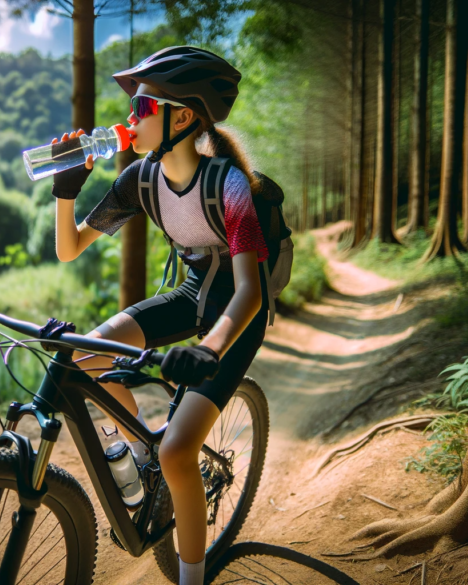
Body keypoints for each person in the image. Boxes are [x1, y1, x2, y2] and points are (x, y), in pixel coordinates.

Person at [49, 46, 273, 584]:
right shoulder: (141, 180)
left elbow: (250, 292)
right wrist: (64, 191)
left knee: (177, 453)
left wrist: (209, 347)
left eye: (142, 107)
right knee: (85, 355)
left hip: (235, 315)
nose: (130, 119)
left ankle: (190, 573)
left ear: (185, 116)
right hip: (193, 292)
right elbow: (68, 248)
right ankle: (142, 462)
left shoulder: (230, 185)